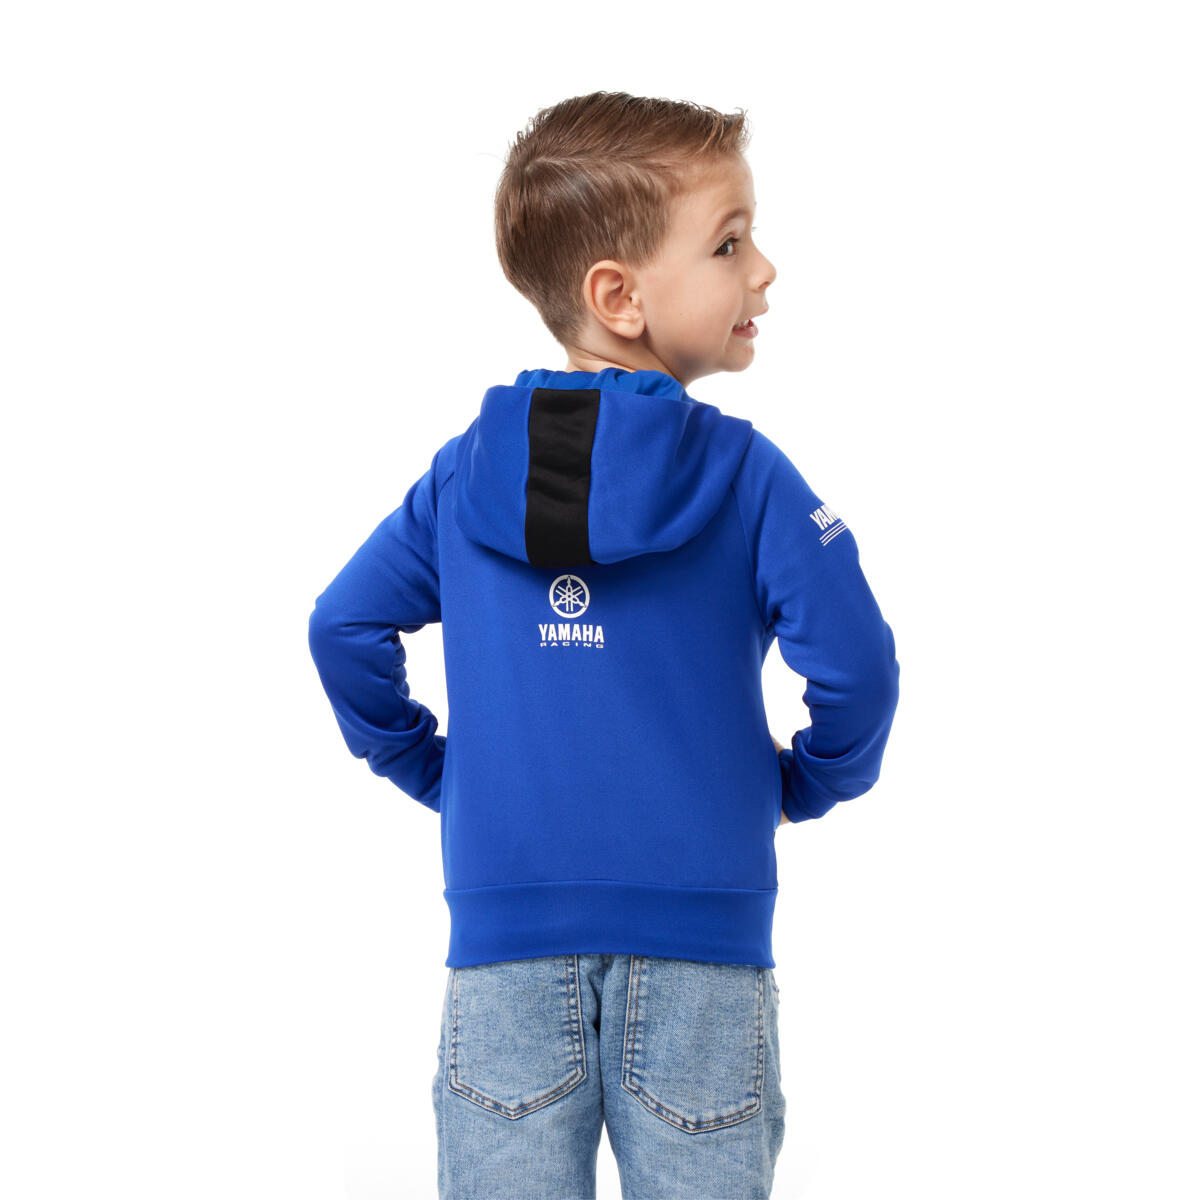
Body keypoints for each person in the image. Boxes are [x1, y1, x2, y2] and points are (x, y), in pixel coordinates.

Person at [307, 90, 900, 1200]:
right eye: (729, 243)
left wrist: (435, 772)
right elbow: (858, 667)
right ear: (618, 296)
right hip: (705, 946)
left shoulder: (461, 476)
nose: (764, 270)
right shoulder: (747, 477)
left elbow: (342, 627)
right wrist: (806, 785)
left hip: (502, 946)